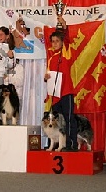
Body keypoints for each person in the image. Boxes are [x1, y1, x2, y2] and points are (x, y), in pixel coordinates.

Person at [44, 17, 78, 152]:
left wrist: (64, 27)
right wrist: (46, 77)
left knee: (69, 119)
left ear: (62, 43)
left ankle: (71, 144)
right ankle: (57, 144)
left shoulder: (66, 53)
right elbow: (49, 75)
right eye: (53, 41)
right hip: (55, 94)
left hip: (66, 92)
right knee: (56, 121)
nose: (55, 43)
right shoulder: (51, 58)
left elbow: (68, 40)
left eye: (57, 41)